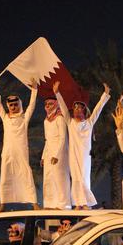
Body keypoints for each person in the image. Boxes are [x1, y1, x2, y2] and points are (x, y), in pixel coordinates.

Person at [0, 78, 38, 211]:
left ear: (19, 105)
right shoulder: (5, 118)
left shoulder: (24, 118)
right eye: (11, 105)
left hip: (21, 152)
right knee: (5, 175)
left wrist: (34, 90)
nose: (13, 107)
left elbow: (32, 105)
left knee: (26, 174)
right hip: (8, 153)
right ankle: (3, 204)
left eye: (15, 105)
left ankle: (34, 203)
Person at [67, 83, 111, 209]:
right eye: (75, 108)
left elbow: (98, 109)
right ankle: (77, 203)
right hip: (73, 154)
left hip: (85, 155)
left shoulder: (89, 123)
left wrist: (105, 94)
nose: (76, 109)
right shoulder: (70, 122)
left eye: (79, 108)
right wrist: (57, 93)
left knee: (83, 177)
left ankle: (86, 203)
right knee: (75, 178)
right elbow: (64, 109)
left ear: (84, 110)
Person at [41, 81, 72, 209]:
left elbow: (63, 138)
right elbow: (47, 140)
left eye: (50, 104)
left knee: (60, 177)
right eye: (46, 104)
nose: (48, 106)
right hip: (49, 152)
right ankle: (49, 203)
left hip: (59, 152)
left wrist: (57, 155)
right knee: (48, 178)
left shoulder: (59, 118)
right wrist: (43, 156)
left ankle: (63, 204)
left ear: (56, 105)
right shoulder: (46, 121)